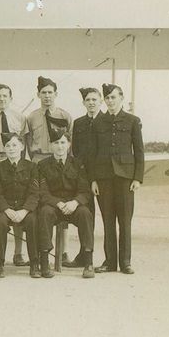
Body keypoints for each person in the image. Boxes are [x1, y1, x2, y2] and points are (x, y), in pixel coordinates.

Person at [89, 84, 144, 275]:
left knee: (125, 221)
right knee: (108, 221)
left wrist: (137, 178)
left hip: (125, 178)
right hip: (103, 178)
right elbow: (93, 153)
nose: (110, 101)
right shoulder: (98, 122)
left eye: (113, 97)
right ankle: (110, 262)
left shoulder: (132, 121)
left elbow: (139, 151)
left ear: (121, 98)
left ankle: (126, 262)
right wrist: (93, 180)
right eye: (107, 98)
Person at [26, 76, 73, 266]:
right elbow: (28, 143)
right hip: (39, 160)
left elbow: (70, 142)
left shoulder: (64, 116)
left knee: (62, 203)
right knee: (39, 208)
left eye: (50, 92)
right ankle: (39, 252)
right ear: (38, 94)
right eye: (43, 93)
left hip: (58, 160)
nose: (47, 96)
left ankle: (64, 252)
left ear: (56, 94)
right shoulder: (32, 117)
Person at [36, 129, 95, 279]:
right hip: (54, 207)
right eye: (56, 143)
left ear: (69, 144)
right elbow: (42, 192)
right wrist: (57, 203)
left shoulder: (78, 163)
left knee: (85, 213)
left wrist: (75, 203)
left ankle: (88, 262)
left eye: (63, 142)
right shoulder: (42, 165)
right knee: (44, 213)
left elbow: (85, 191)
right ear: (51, 146)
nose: (60, 146)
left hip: (73, 207)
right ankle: (44, 261)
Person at [0, 133, 41, 278]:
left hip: (24, 208)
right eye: (8, 146)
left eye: (14, 145)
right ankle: (0, 264)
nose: (11, 149)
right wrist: (6, 209)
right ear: (4, 149)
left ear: (21, 146)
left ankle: (34, 263)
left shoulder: (32, 166)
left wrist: (24, 211)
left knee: (33, 221)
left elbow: (34, 193)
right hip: (6, 208)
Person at [65, 87, 103, 268]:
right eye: (88, 100)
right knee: (86, 216)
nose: (91, 102)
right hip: (83, 177)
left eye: (94, 99)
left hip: (103, 177)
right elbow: (76, 151)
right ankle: (85, 255)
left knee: (108, 218)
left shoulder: (106, 121)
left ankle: (111, 258)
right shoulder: (79, 123)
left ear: (100, 101)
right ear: (84, 103)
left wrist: (96, 177)